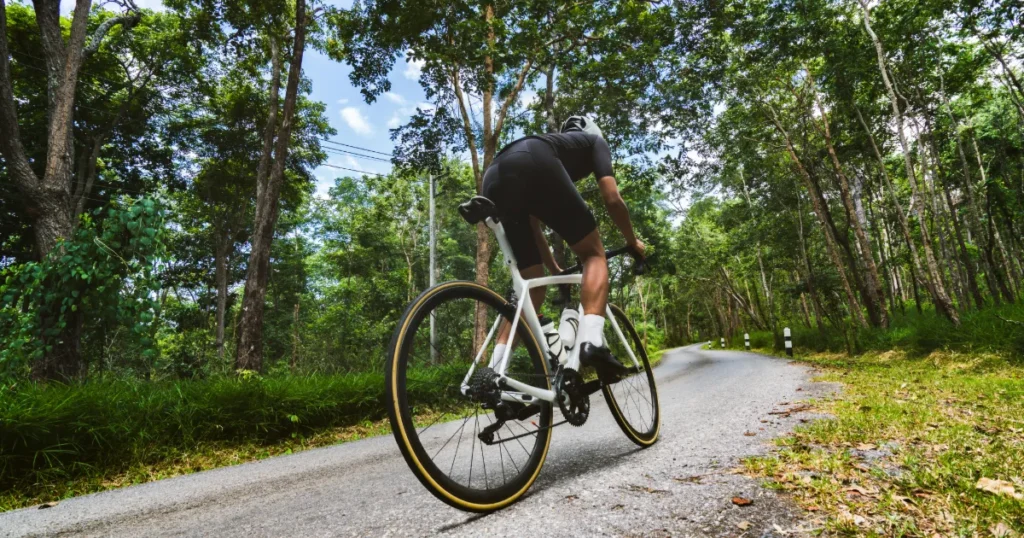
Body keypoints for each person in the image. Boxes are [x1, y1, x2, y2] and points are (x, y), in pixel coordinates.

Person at [482, 116, 645, 383]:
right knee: (594, 255)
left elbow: (533, 225)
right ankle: (592, 341)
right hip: (533, 160)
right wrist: (632, 241)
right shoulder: (595, 141)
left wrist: (556, 270)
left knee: (532, 287)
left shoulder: (560, 147)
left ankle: (495, 373)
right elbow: (613, 199)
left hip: (493, 178)